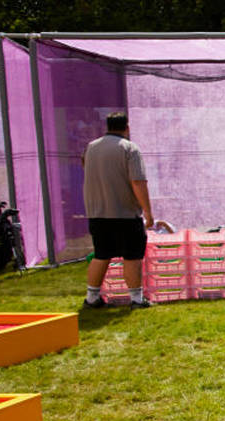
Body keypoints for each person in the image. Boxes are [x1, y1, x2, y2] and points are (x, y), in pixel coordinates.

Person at [81, 111, 154, 309]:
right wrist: (147, 211)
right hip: (124, 213)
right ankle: (136, 299)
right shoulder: (129, 149)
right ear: (127, 128)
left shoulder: (91, 147)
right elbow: (138, 182)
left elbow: (85, 167)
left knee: (101, 254)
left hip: (97, 213)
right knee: (132, 256)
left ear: (107, 126)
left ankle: (91, 298)